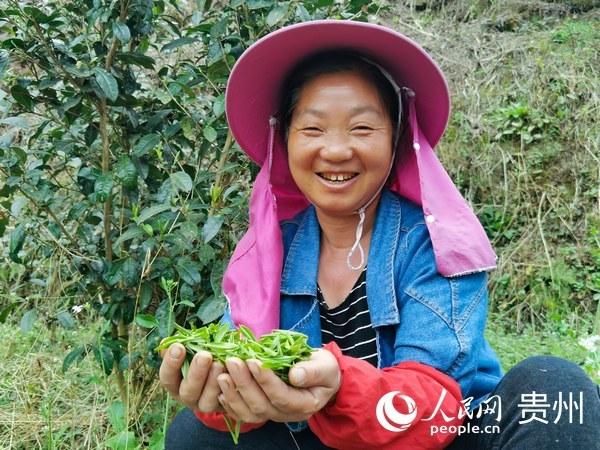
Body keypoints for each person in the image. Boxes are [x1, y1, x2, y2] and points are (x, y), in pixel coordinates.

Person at [159, 20, 600, 449]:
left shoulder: (436, 242)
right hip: (319, 439)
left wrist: (339, 387)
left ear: (396, 139)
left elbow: (435, 407)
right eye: (312, 129)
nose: (335, 150)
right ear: (286, 140)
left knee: (559, 391)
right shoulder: (270, 251)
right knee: (195, 433)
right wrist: (222, 398)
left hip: (444, 435)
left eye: (362, 128)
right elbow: (241, 375)